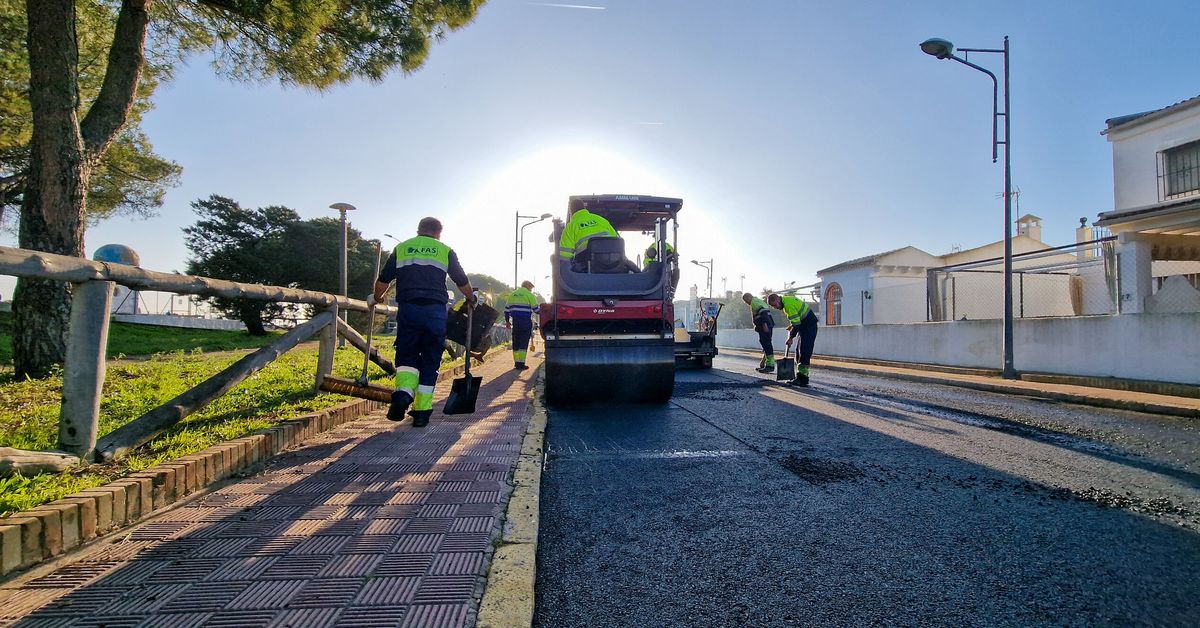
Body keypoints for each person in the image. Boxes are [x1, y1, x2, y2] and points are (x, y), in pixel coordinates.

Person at [370, 217, 474, 427]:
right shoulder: (444, 250)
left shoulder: (403, 248)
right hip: (435, 312)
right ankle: (422, 413)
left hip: (409, 311)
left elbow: (383, 280)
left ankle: (403, 395)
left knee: (407, 354)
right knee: (430, 358)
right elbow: (461, 280)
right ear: (438, 233)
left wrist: (377, 298)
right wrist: (471, 298)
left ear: (418, 230)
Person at [769, 293, 819, 386]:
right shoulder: (786, 299)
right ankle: (800, 376)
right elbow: (796, 320)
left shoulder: (788, 306)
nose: (775, 307)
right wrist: (792, 326)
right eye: (772, 306)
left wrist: (791, 338)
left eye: (774, 305)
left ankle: (803, 379)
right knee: (799, 351)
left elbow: (796, 324)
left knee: (804, 351)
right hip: (805, 325)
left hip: (808, 326)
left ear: (777, 300)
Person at [505, 280, 540, 370]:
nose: (531, 290)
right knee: (523, 342)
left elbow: (506, 310)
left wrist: (507, 322)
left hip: (515, 322)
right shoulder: (529, 295)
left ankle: (516, 363)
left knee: (516, 341)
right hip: (525, 321)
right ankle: (521, 363)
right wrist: (546, 313)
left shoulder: (512, 295)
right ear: (527, 285)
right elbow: (536, 310)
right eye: (531, 287)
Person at [742, 292, 775, 373]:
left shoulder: (754, 302)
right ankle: (764, 362)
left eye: (746, 301)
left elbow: (763, 312)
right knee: (765, 343)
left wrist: (764, 324)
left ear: (748, 297)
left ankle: (770, 365)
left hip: (765, 325)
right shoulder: (758, 301)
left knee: (766, 343)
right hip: (766, 324)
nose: (746, 303)